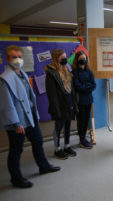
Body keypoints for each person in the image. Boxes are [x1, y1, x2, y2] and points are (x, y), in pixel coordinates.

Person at [0, 45, 60, 188]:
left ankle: (43, 166)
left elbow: (29, 98)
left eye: (19, 57)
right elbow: (7, 104)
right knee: (16, 149)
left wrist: (35, 115)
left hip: (30, 117)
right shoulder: (5, 79)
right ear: (7, 59)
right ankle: (16, 179)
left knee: (38, 141)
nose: (17, 60)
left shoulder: (22, 74)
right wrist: (16, 123)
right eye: (14, 57)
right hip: (18, 121)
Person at [45, 49, 77, 160]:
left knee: (68, 124)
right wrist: (56, 108)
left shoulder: (66, 69)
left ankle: (67, 145)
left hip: (68, 101)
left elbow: (71, 88)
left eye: (65, 57)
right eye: (62, 57)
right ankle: (57, 149)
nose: (65, 59)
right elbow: (51, 94)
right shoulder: (51, 72)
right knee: (58, 126)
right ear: (55, 58)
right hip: (59, 103)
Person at [72, 51, 96, 149]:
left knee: (86, 120)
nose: (83, 60)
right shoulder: (74, 73)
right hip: (79, 101)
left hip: (88, 100)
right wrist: (87, 86)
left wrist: (85, 86)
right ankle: (82, 139)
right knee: (81, 121)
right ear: (77, 60)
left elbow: (93, 85)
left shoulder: (89, 72)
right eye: (81, 58)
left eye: (84, 58)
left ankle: (84, 138)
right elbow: (78, 87)